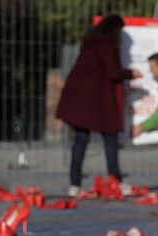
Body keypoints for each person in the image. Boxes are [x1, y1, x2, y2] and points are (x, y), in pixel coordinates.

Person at [56, 15, 141, 197]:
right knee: (110, 140)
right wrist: (130, 73)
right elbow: (112, 73)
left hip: (80, 98)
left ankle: (74, 184)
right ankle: (116, 179)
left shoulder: (90, 43)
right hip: (98, 100)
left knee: (80, 140)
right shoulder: (107, 46)